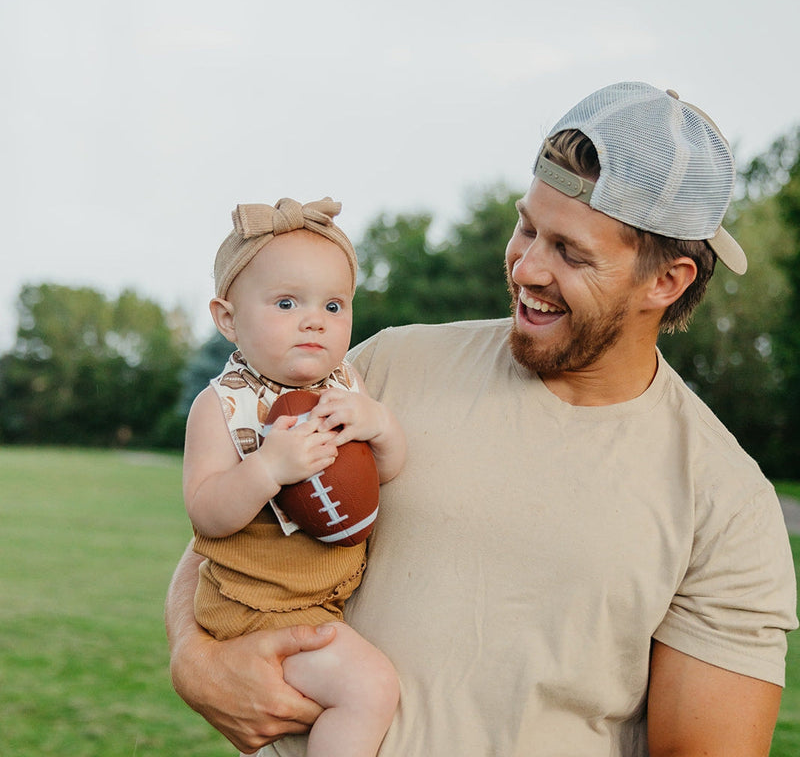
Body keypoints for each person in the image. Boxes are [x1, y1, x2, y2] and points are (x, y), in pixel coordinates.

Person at [167, 83, 798, 756]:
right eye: (527, 226)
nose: (526, 268)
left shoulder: (727, 506)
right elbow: (225, 537)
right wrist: (194, 658)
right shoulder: (381, 369)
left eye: (570, 252)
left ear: (665, 282)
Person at [181, 196, 405, 757]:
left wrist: (378, 426)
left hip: (322, 594)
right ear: (227, 318)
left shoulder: (345, 385)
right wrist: (267, 467)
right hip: (255, 604)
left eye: (334, 306)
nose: (314, 320)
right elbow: (206, 513)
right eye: (286, 302)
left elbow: (389, 472)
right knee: (369, 687)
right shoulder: (222, 407)